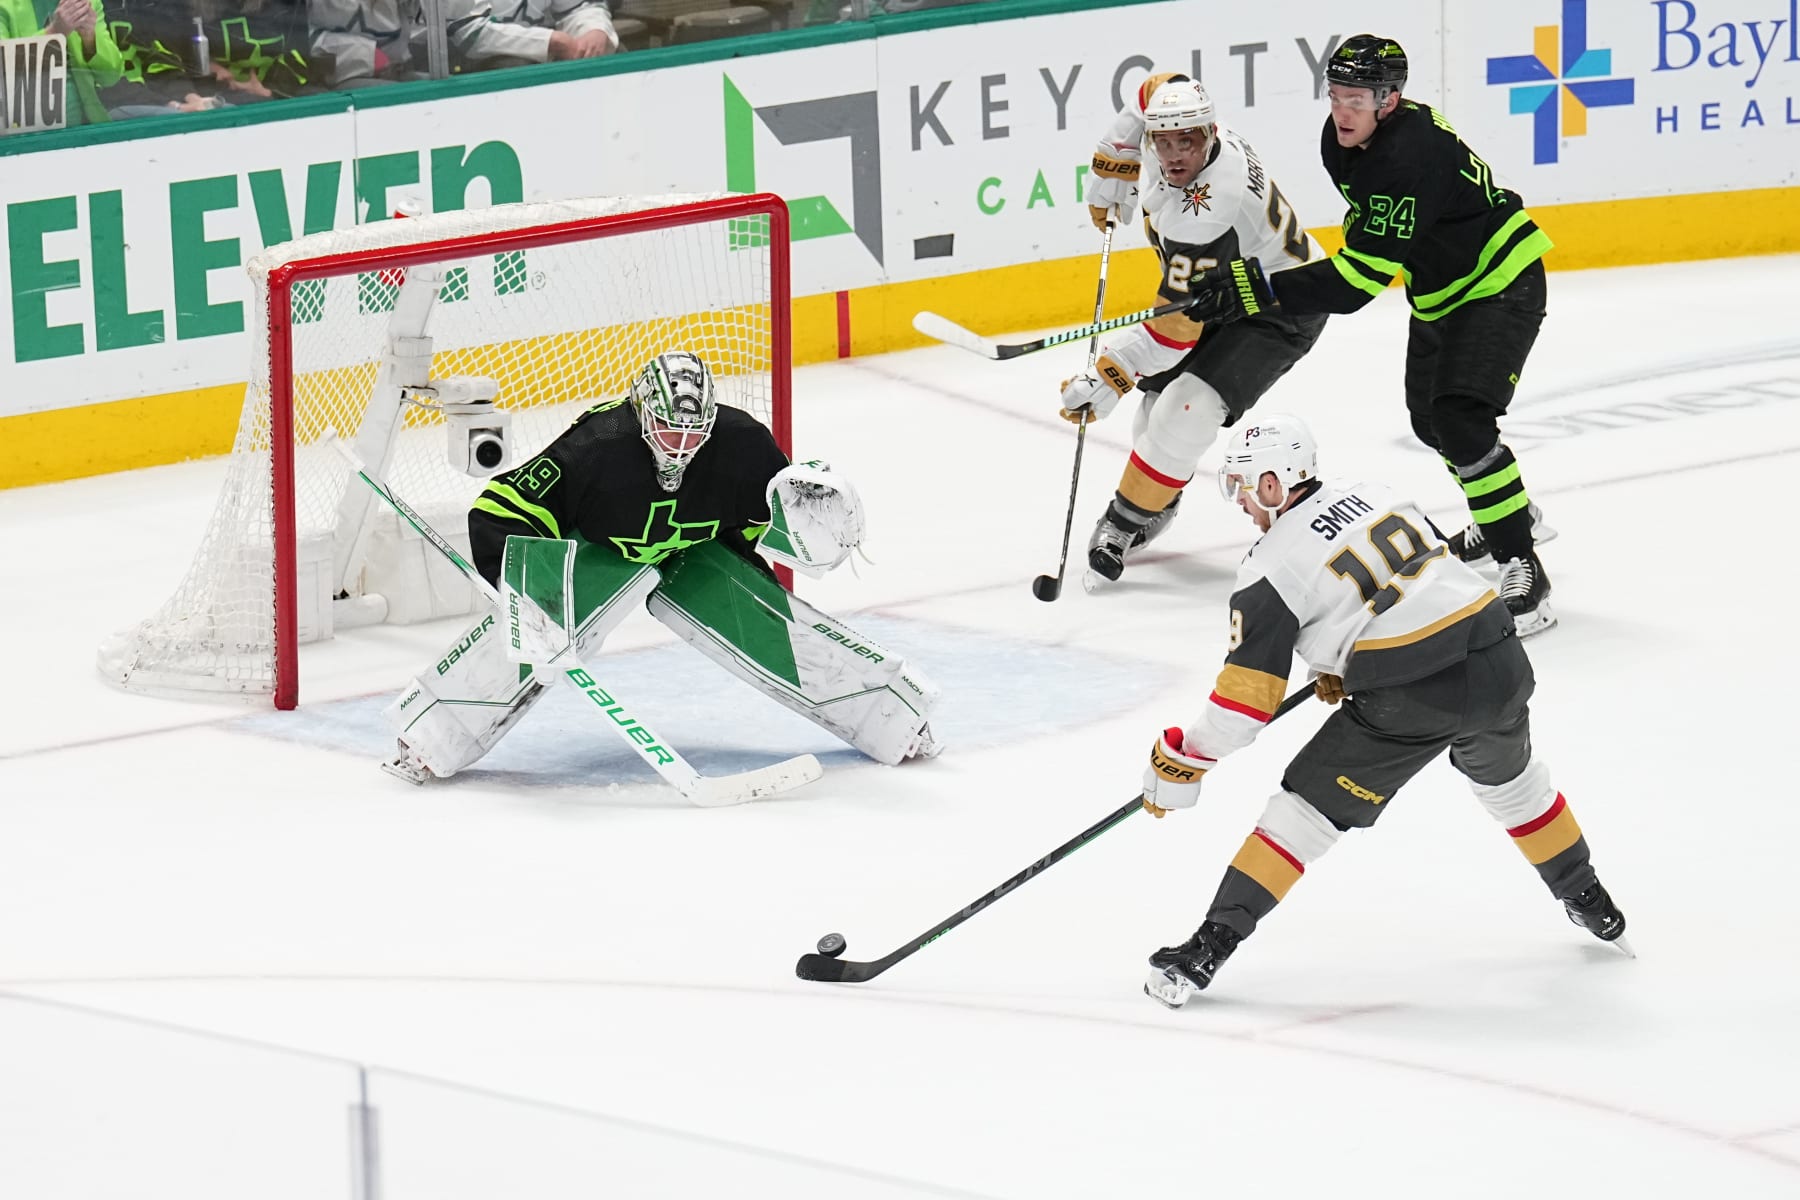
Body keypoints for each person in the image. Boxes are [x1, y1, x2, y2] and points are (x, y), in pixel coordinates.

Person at [1136, 414, 1626, 1008]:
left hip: (1412, 697)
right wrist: (1345, 658)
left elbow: (1243, 707)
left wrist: (1183, 758)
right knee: (1517, 787)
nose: (1241, 501)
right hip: (1499, 656)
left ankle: (1204, 951)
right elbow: (1418, 580)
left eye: (1243, 486)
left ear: (1273, 483)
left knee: (1300, 818)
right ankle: (1591, 901)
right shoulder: (1376, 492)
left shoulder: (1269, 568)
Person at [381, 350, 941, 787]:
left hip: (690, 556)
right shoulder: (597, 447)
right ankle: (429, 736)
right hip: (603, 553)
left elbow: (755, 524)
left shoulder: (745, 445)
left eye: (694, 435)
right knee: (535, 636)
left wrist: (760, 572)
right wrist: (525, 594)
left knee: (773, 624)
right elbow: (500, 508)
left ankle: (893, 718)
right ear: (641, 413)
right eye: (669, 431)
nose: (680, 448)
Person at [1177, 35, 1559, 635]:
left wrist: (1252, 290)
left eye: (1356, 97)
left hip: (1500, 282)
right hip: (1442, 290)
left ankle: (1521, 560)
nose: (1342, 110)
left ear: (1390, 99)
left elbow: (1357, 283)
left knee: (1460, 418)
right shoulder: (1344, 140)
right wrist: (1255, 286)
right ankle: (1501, 511)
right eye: (1335, 94)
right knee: (1430, 421)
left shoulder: (1411, 153)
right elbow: (1371, 238)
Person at [1062, 75, 1327, 588]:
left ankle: (1122, 523)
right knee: (1151, 425)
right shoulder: (1195, 129)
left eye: (1189, 140)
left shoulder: (1205, 214)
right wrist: (1116, 149)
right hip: (1224, 284)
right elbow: (1156, 88)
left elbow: (1171, 336)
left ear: (1209, 132)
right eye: (1163, 140)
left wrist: (1110, 374)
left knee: (1186, 411)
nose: (1176, 153)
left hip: (1279, 306)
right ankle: (1159, 494)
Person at [0, 0, 125, 125]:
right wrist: (54, 32)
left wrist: (90, 40)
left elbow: (111, 77)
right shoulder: (4, 6)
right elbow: (3, 73)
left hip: (87, 127)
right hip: (22, 132)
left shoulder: (85, 3)